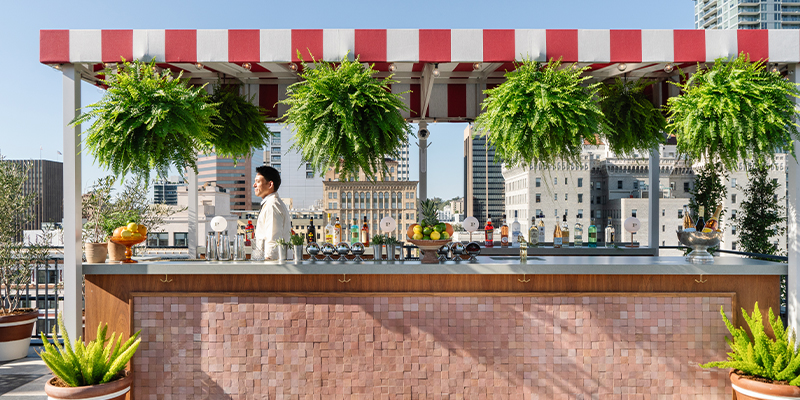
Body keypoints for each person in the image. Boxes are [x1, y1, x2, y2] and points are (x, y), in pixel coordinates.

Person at [252, 166, 291, 260]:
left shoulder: (272, 205)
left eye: (258, 181)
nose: (254, 185)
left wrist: (268, 264)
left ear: (270, 184)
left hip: (274, 265)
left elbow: (273, 240)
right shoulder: (270, 203)